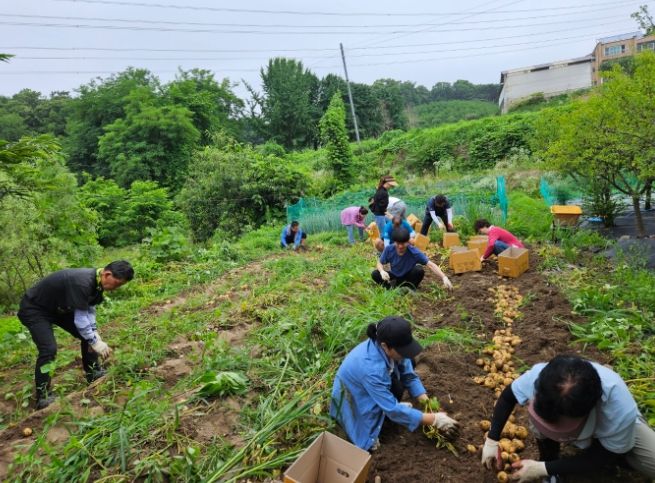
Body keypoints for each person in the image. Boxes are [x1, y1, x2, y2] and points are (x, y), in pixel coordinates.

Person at [481, 355, 655, 482]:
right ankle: (550, 457)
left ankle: (620, 450)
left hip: (609, 425)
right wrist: (492, 439)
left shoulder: (619, 409)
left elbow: (603, 457)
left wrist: (543, 469)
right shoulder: (541, 378)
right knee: (544, 433)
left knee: (641, 459)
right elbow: (508, 397)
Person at [17, 260, 134, 409]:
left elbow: (90, 310)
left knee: (88, 335)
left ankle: (93, 372)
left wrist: (94, 334)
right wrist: (94, 341)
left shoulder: (98, 284)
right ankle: (43, 396)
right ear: (107, 274)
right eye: (116, 284)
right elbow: (80, 319)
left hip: (57, 308)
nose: (116, 288)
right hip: (35, 309)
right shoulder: (82, 283)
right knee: (48, 349)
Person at [330, 316, 459, 451]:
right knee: (370, 435)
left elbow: (409, 376)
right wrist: (434, 420)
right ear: (385, 346)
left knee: (399, 383)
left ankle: (388, 408)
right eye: (402, 351)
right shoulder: (371, 369)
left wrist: (427, 403)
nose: (406, 354)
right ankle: (371, 426)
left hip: (370, 386)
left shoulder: (391, 347)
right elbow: (392, 410)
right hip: (352, 401)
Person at [372, 227, 453, 291]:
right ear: (394, 242)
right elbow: (379, 262)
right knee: (375, 274)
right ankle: (390, 288)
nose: (400, 246)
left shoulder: (414, 251)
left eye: (403, 243)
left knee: (419, 270)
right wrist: (382, 271)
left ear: (408, 242)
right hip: (395, 275)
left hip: (408, 276)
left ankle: (410, 288)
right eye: (398, 243)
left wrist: (444, 277)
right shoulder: (389, 249)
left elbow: (430, 264)